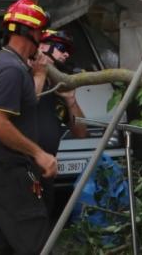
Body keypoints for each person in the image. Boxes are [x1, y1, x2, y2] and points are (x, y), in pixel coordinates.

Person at [0, 0, 59, 255]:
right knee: (38, 245)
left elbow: (24, 103)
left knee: (2, 246)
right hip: (9, 172)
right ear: (30, 32)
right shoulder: (11, 71)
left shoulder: (1, 62)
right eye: (39, 32)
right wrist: (39, 154)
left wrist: (39, 76)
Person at [29, 29, 90, 228]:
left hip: (46, 172)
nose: (66, 55)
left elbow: (81, 133)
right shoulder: (25, 78)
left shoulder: (56, 88)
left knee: (43, 223)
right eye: (61, 48)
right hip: (22, 170)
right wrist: (39, 75)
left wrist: (71, 100)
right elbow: (25, 107)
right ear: (43, 47)